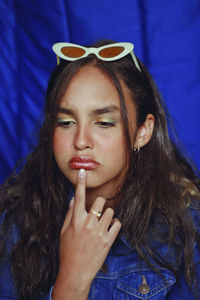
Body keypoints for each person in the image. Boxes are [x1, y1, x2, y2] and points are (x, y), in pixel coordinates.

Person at [0, 39, 200, 300]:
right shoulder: (18, 221)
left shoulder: (187, 227)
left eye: (104, 122)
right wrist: (71, 280)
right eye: (66, 122)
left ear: (143, 132)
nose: (81, 141)